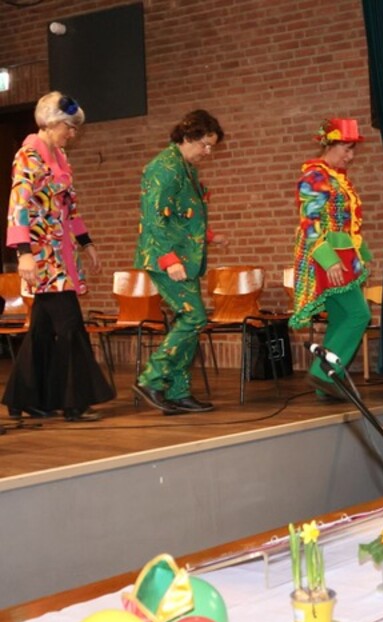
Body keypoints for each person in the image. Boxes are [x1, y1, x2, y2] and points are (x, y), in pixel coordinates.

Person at [3, 91, 114, 421]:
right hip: (41, 256)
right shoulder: (28, 156)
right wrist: (23, 253)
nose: (73, 133)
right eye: (69, 126)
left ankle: (24, 398)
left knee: (41, 330)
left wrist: (87, 243)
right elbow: (18, 206)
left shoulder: (61, 158)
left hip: (62, 254)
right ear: (51, 123)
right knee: (70, 325)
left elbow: (70, 207)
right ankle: (74, 402)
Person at [133, 110, 225, 415]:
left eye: (211, 146)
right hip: (165, 257)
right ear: (187, 137)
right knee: (194, 317)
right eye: (204, 145)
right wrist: (169, 259)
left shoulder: (185, 167)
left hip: (185, 257)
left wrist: (209, 236)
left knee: (191, 321)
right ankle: (151, 378)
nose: (207, 152)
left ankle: (178, 391)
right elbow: (154, 218)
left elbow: (183, 213)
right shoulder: (164, 167)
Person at [291, 118, 371, 400]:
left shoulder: (336, 177)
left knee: (340, 318)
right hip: (327, 257)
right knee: (359, 314)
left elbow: (348, 225)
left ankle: (326, 387)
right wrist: (329, 260)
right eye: (346, 149)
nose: (350, 156)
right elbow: (309, 224)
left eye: (352, 150)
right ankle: (323, 373)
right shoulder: (315, 176)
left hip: (344, 256)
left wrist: (361, 256)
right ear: (330, 145)